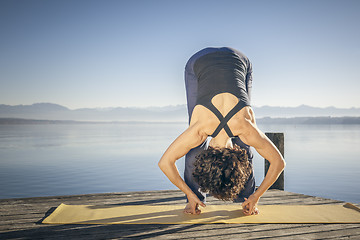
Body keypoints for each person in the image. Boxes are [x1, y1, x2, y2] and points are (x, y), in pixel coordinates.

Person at [158, 47, 285, 216]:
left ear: (235, 151)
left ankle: (195, 201)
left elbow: (279, 163)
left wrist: (257, 195)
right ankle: (246, 200)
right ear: (209, 151)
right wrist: (256, 196)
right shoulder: (201, 131)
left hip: (235, 59)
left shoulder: (245, 130)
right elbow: (164, 163)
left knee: (202, 147)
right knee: (198, 147)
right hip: (211, 60)